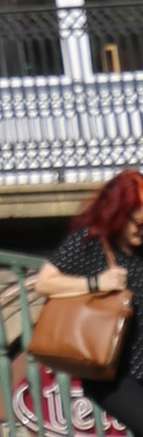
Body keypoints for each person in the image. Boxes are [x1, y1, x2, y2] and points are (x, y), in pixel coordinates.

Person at [34, 165, 143, 430]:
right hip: (111, 371)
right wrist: (96, 283)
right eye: (138, 222)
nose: (142, 229)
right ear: (118, 213)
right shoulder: (90, 242)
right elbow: (44, 282)